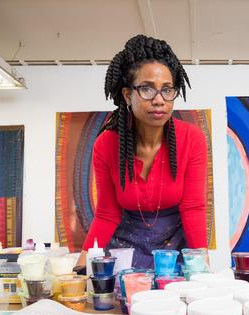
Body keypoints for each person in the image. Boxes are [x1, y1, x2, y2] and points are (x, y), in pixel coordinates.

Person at [76, 35, 208, 270]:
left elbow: (193, 208)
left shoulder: (192, 139)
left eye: (167, 90)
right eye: (147, 89)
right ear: (128, 95)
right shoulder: (106, 144)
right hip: (124, 250)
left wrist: (202, 266)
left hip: (173, 250)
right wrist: (81, 265)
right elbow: (106, 213)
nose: (159, 100)